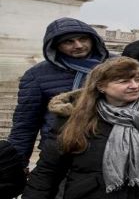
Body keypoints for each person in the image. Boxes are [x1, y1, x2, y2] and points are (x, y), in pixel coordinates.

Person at [23, 57, 139, 199]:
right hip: (89, 193)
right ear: (101, 86)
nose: (135, 86)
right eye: (124, 81)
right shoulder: (72, 116)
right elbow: (50, 168)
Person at [9, 18, 110, 167]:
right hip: (59, 150)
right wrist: (16, 166)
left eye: (83, 39)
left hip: (107, 147)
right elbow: (25, 125)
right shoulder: (37, 74)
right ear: (55, 45)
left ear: (93, 39)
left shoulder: (116, 65)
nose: (78, 45)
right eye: (68, 42)